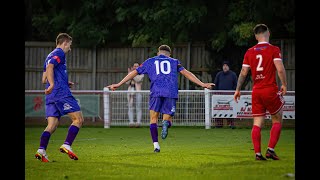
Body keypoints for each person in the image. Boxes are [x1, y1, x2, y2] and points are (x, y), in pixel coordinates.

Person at [107, 45, 214, 153]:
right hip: (170, 91)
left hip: (156, 92)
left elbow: (134, 72)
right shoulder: (174, 61)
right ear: (169, 54)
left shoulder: (150, 61)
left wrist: (119, 84)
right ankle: (166, 123)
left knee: (153, 119)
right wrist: (202, 84)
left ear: (158, 53)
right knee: (167, 119)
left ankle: (156, 146)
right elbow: (186, 73)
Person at [233, 24, 287, 160]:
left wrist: (238, 89)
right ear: (268, 33)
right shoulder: (274, 49)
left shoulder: (250, 51)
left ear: (256, 36)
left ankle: (257, 153)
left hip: (256, 91)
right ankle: (270, 149)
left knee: (257, 122)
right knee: (277, 118)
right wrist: (284, 84)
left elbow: (243, 72)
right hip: (269, 89)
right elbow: (280, 69)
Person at [35, 33, 84, 162]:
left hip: (51, 96)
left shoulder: (49, 55)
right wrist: (53, 84)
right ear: (65, 43)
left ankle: (41, 150)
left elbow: (43, 78)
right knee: (78, 119)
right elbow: (51, 68)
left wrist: (62, 81)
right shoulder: (60, 53)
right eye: (70, 45)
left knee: (52, 125)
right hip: (60, 93)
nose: (70, 48)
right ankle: (67, 144)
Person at [213, 60, 238, 129]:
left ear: (229, 67)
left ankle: (231, 124)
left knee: (230, 110)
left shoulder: (233, 75)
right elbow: (216, 84)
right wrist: (216, 93)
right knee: (218, 109)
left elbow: (235, 85)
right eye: (224, 66)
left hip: (230, 96)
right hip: (219, 96)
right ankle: (219, 124)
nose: (225, 67)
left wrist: (232, 92)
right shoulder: (219, 74)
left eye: (226, 66)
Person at [126, 62, 144, 127]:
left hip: (138, 91)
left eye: (137, 66)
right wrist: (129, 74)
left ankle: (138, 122)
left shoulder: (141, 74)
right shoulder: (130, 74)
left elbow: (138, 80)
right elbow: (127, 82)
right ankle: (131, 122)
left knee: (138, 107)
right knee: (130, 106)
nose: (135, 67)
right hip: (130, 91)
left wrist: (131, 75)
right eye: (134, 66)